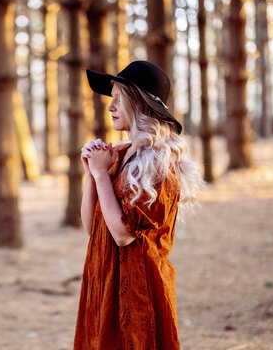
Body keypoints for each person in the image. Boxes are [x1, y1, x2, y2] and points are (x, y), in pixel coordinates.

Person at [73, 61, 203, 349]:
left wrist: (100, 175)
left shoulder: (160, 164)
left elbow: (122, 235)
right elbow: (90, 226)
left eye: (119, 99)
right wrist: (92, 174)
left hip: (139, 287)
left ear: (139, 105)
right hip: (104, 279)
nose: (110, 107)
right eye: (112, 99)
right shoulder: (118, 154)